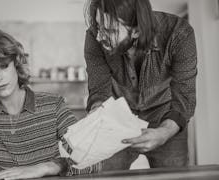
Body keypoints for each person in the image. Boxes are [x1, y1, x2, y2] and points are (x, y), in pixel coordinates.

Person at [0, 29, 101, 179]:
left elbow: (92, 160)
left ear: (16, 63)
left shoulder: (54, 106)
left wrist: (46, 167)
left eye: (3, 66)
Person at [83, 0, 197, 169]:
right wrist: (97, 113)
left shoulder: (179, 34)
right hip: (118, 121)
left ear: (136, 31)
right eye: (99, 27)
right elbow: (99, 89)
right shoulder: (94, 36)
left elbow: (184, 97)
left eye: (109, 30)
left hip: (166, 119)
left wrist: (165, 132)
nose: (100, 36)